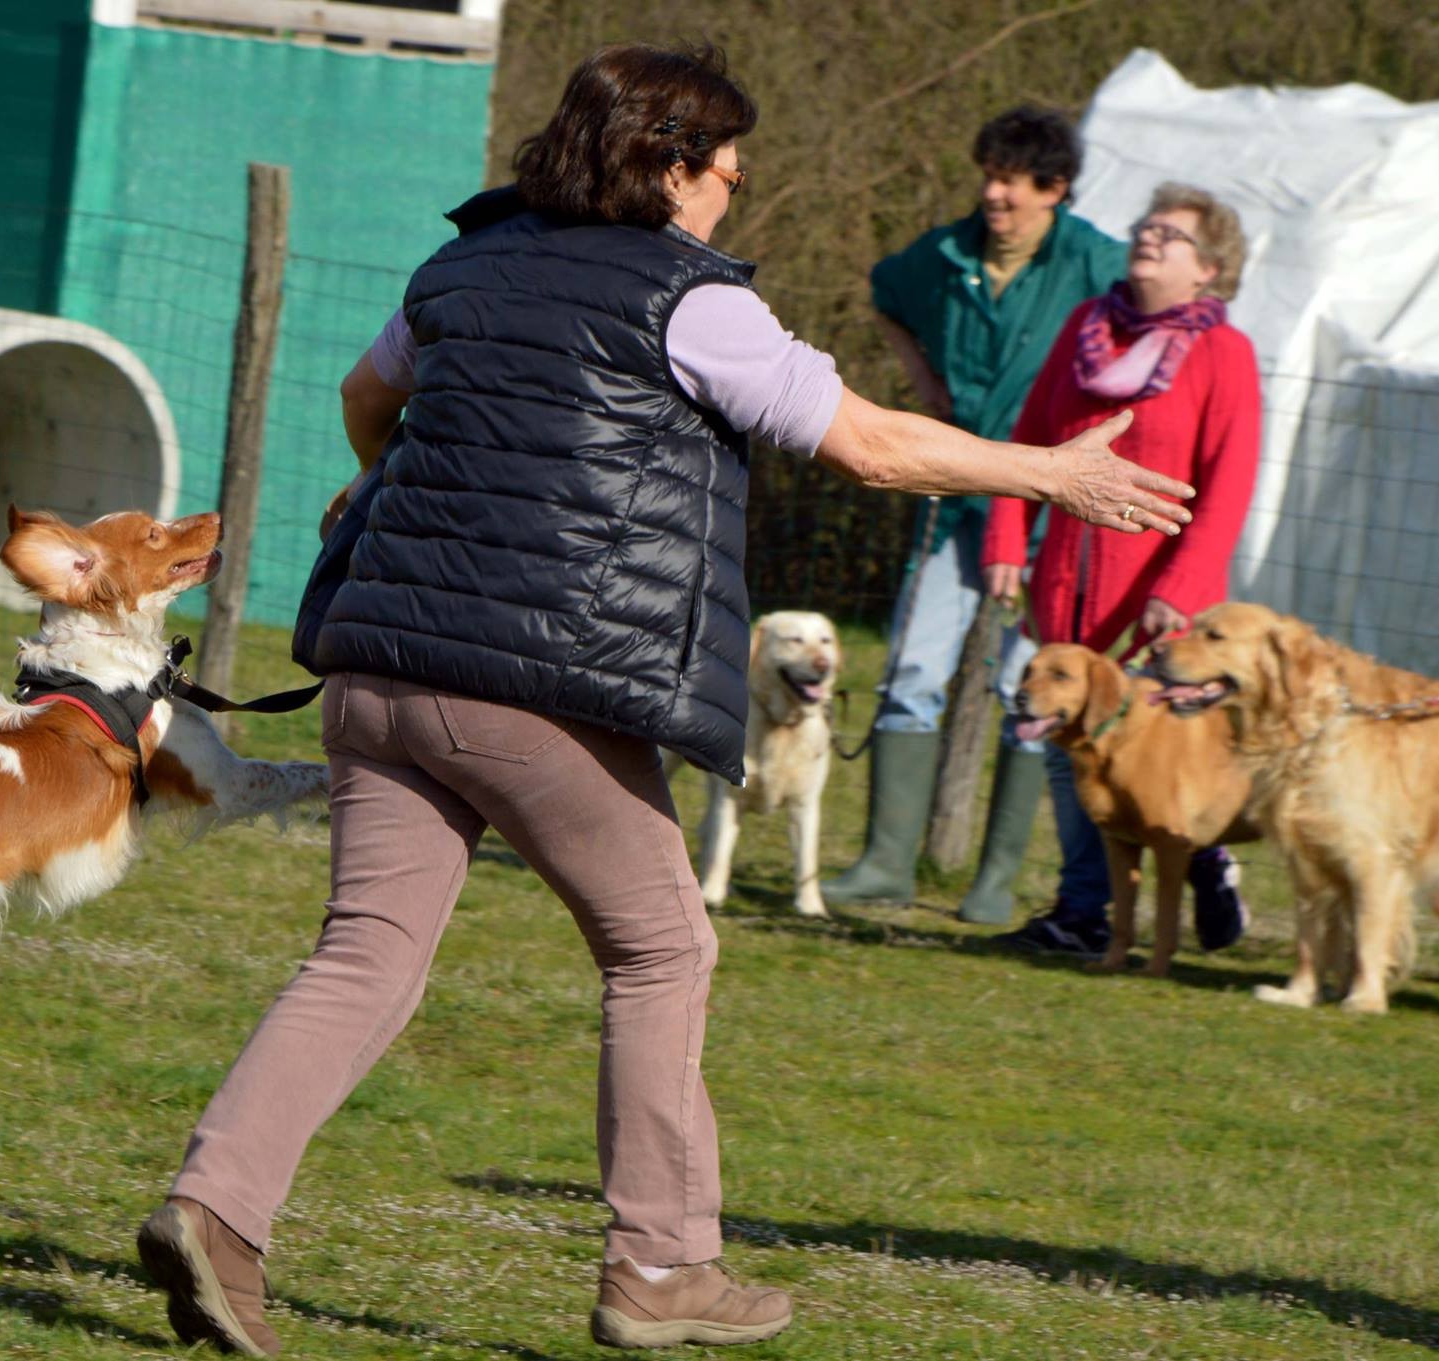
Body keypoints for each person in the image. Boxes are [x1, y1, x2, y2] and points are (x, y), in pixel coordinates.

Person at [135, 44, 1193, 1356]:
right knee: (661, 948)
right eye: (727, 172)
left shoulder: (460, 264)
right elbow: (869, 444)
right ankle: (661, 1266)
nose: (734, 197)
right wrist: (1045, 471)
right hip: (530, 685)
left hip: (377, 664)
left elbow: (367, 397)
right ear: (667, 166)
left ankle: (214, 1208)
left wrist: (386, 480)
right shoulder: (691, 303)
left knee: (366, 950)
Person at [825, 106, 1127, 925]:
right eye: (987, 175)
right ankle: (885, 861)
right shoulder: (944, 252)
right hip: (952, 495)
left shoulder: (1097, 263)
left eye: (1011, 180)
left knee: (1020, 687)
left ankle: (994, 881)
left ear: (1054, 190)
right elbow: (884, 291)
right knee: (911, 671)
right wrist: (919, 376)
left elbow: (1149, 340)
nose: (992, 194)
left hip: (1053, 508)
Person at [983, 182, 1261, 957]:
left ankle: (1200, 857)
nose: (1148, 238)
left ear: (1209, 268)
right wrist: (1008, 537)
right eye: (1146, 227)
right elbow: (1033, 440)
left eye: (1169, 235)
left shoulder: (1224, 352)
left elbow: (1230, 486)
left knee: (1150, 753)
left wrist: (1183, 591)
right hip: (1063, 594)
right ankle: (1085, 910)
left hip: (1157, 607)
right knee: (1071, 751)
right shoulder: (1087, 326)